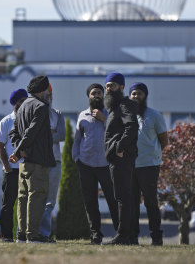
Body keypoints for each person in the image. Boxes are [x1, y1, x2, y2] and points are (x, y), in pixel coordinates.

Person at [8, 75, 56, 244]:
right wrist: (19, 149)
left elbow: (13, 133)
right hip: (38, 160)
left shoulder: (21, 107)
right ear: (43, 90)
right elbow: (32, 132)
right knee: (37, 196)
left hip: (24, 163)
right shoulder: (41, 107)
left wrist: (19, 150)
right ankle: (33, 235)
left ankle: (21, 234)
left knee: (22, 197)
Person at [72, 83, 119, 244]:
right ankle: (95, 235)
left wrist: (104, 119)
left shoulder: (110, 114)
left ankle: (121, 234)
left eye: (99, 92)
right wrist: (76, 158)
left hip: (106, 165)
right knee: (90, 202)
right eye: (94, 93)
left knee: (113, 200)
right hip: (86, 165)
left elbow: (116, 133)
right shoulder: (82, 115)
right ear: (89, 96)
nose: (97, 95)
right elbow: (77, 139)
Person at [128, 82, 168, 246]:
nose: (136, 96)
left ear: (145, 96)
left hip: (149, 166)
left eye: (139, 93)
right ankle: (132, 238)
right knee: (132, 204)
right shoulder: (125, 116)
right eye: (133, 94)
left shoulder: (154, 115)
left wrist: (153, 155)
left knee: (151, 202)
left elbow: (164, 141)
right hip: (130, 166)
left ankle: (156, 238)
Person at [102, 72, 139, 245]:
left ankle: (123, 236)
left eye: (113, 85)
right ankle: (128, 236)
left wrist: (119, 147)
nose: (109, 88)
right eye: (107, 85)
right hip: (116, 158)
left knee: (123, 197)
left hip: (121, 158)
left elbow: (131, 126)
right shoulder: (114, 107)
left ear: (122, 87)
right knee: (122, 197)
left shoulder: (124, 104)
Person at [0, 88, 28, 242]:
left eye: (25, 101)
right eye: (21, 101)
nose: (24, 104)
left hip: (27, 169)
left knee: (27, 204)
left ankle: (24, 234)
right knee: (8, 204)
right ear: (15, 103)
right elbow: (0, 146)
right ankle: (7, 236)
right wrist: (7, 167)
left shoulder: (29, 121)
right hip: (12, 170)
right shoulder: (6, 121)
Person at [39, 84, 66, 238]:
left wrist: (44, 135)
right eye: (44, 94)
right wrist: (50, 133)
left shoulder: (58, 115)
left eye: (49, 94)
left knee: (50, 201)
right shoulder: (33, 114)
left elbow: (61, 135)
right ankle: (32, 232)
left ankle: (44, 234)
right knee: (37, 199)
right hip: (37, 163)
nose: (47, 97)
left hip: (55, 162)